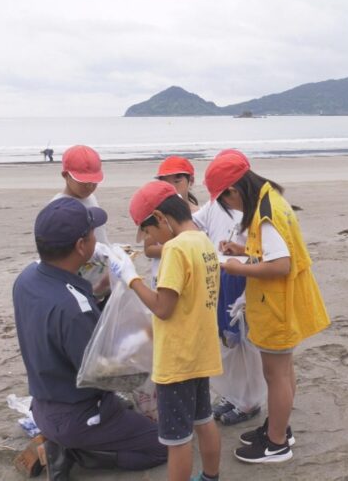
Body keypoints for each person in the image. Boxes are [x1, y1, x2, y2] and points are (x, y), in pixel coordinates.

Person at [12, 197, 167, 480]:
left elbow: (61, 319)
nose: (97, 238)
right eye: (92, 232)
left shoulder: (26, 278)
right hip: (78, 415)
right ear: (81, 245)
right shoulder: (73, 308)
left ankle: (69, 441)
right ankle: (76, 452)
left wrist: (103, 286)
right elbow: (104, 372)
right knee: (163, 445)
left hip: (43, 402)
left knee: (131, 415)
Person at [204, 151, 330, 463]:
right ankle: (278, 429)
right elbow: (274, 251)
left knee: (276, 374)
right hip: (283, 301)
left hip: (277, 305)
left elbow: (281, 265)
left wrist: (238, 267)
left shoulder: (265, 213)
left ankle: (276, 444)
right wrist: (244, 249)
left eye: (225, 201)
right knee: (282, 371)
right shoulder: (270, 198)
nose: (229, 208)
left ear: (233, 191)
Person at [107, 181, 223, 481]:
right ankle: (211, 476)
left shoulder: (175, 248)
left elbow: (163, 307)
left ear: (160, 217)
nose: (149, 239)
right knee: (204, 419)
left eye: (148, 231)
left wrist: (132, 279)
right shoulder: (203, 240)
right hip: (201, 350)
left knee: (177, 439)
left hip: (177, 358)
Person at [193, 150, 265, 427]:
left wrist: (241, 252)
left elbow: (266, 252)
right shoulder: (215, 205)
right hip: (221, 277)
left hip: (245, 280)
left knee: (247, 343)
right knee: (226, 341)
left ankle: (249, 401)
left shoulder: (257, 209)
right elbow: (195, 223)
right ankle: (232, 395)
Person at [52, 144, 111, 305]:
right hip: (80, 285)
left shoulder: (91, 198)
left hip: (102, 277)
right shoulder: (59, 207)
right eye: (84, 182)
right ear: (66, 176)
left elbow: (100, 236)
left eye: (94, 182)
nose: (90, 186)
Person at [143, 156, 200, 289]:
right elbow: (149, 249)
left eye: (177, 181)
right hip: (163, 276)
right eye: (166, 183)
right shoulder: (156, 213)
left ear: (190, 181)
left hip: (193, 278)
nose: (172, 187)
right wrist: (180, 250)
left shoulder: (200, 213)